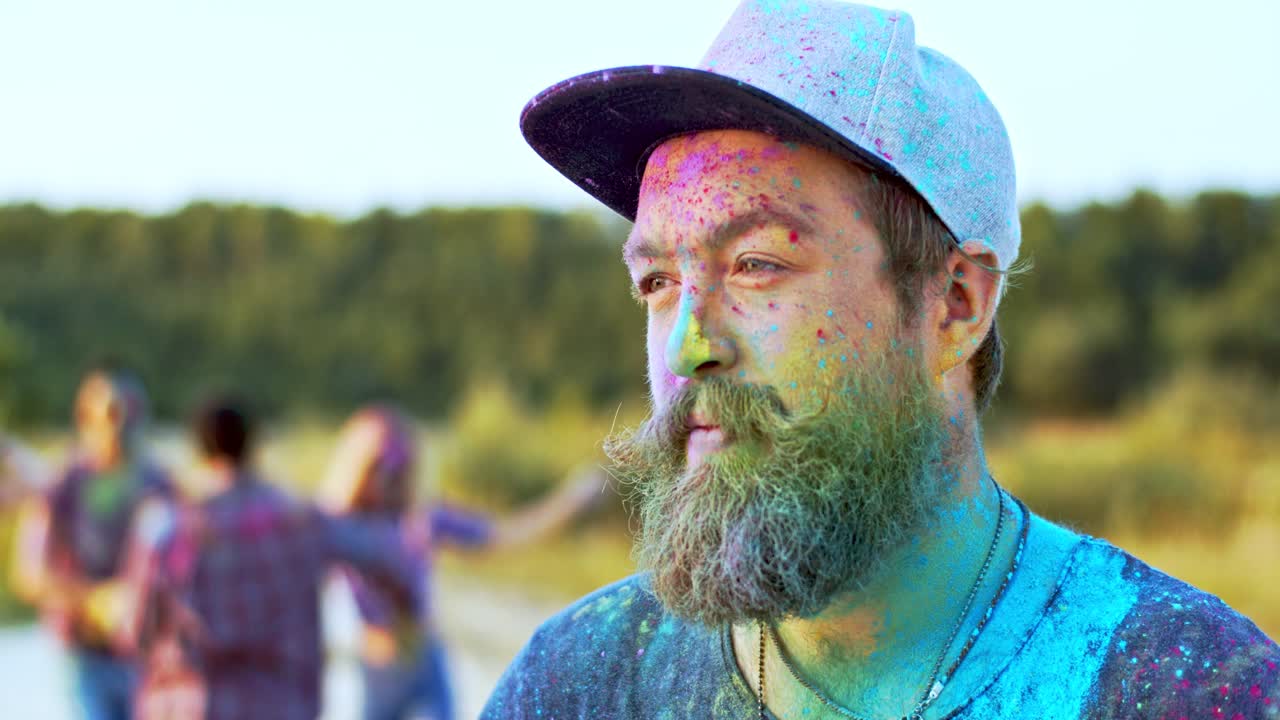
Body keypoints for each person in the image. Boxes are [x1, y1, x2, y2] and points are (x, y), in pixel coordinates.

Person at [484, 2, 1280, 718]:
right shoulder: (579, 686)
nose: (689, 346)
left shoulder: (1180, 690)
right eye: (656, 281)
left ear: (956, 304)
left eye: (757, 264)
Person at [119, 396, 419, 720]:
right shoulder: (300, 520)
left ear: (198, 450)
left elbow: (134, 630)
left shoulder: (166, 527)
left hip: (189, 707)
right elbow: (389, 557)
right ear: (252, 446)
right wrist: (399, 617)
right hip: (283, 707)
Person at [319, 405, 605, 720]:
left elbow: (504, 535)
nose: (392, 479)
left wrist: (573, 499)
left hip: (424, 660)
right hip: (377, 668)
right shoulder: (340, 528)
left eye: (401, 468)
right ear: (360, 468)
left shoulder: (423, 520)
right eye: (382, 468)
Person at [9, 368, 173, 720]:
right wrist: (94, 600)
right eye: (113, 413)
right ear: (85, 418)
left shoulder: (159, 484)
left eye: (132, 411)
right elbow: (29, 573)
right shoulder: (63, 485)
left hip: (151, 659)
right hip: (86, 655)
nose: (123, 425)